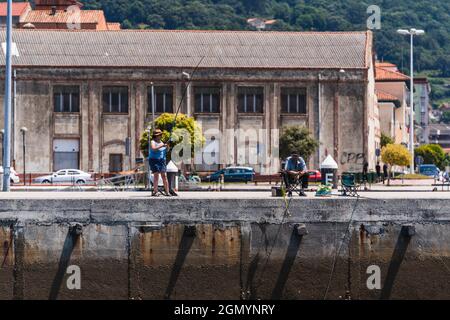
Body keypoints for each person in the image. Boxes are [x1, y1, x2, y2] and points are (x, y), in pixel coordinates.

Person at [149, 129, 170, 197]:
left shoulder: (162, 142)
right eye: (159, 135)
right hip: (154, 160)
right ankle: (155, 191)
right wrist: (162, 146)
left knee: (164, 176)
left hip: (162, 161)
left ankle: (167, 192)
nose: (161, 136)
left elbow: (166, 150)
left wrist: (167, 147)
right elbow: (153, 148)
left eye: (161, 135)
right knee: (156, 176)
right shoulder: (152, 142)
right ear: (155, 136)